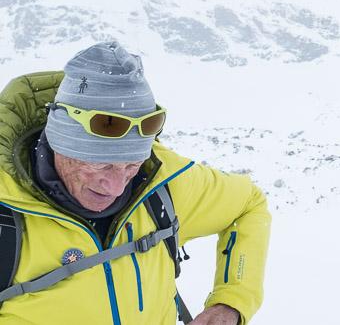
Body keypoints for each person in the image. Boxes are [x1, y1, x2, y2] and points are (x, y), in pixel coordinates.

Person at [0, 41, 271, 324]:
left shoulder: (162, 181)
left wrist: (231, 302)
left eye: (131, 165)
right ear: (60, 144)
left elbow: (248, 205)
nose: (117, 188)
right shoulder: (6, 209)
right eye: (100, 164)